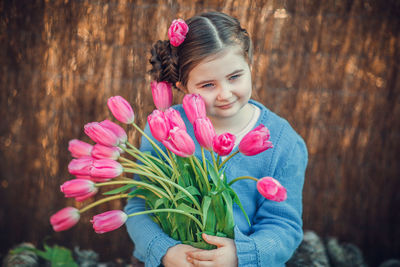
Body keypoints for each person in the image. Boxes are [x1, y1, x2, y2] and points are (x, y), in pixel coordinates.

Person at [124, 11, 308, 267]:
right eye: (207, 85)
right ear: (182, 87)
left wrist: (241, 255)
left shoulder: (282, 141)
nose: (225, 94)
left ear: (250, 66)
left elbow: (283, 226)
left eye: (235, 77)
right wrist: (165, 251)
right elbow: (138, 206)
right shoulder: (165, 129)